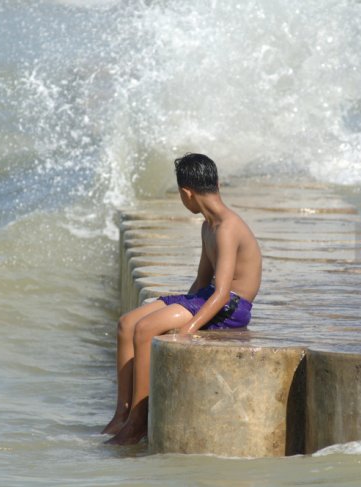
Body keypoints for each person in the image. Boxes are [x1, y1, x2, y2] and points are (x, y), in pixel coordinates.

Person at [102, 153, 263, 445]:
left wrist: (188, 329)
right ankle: (122, 414)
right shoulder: (208, 226)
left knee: (145, 329)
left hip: (230, 307)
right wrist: (176, 306)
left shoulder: (227, 227)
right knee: (128, 324)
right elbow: (202, 282)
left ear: (186, 193)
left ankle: (139, 422)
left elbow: (223, 292)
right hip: (208, 298)